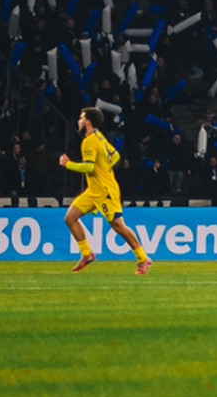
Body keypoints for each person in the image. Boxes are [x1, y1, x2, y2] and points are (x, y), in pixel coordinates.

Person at [61, 108, 150, 273]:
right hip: (93, 190)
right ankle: (86, 254)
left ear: (88, 121)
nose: (79, 121)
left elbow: (88, 166)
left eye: (81, 118)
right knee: (70, 218)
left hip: (105, 191)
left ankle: (143, 258)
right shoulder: (99, 136)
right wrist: (104, 169)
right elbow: (115, 155)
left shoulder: (89, 141)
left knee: (118, 227)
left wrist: (68, 164)